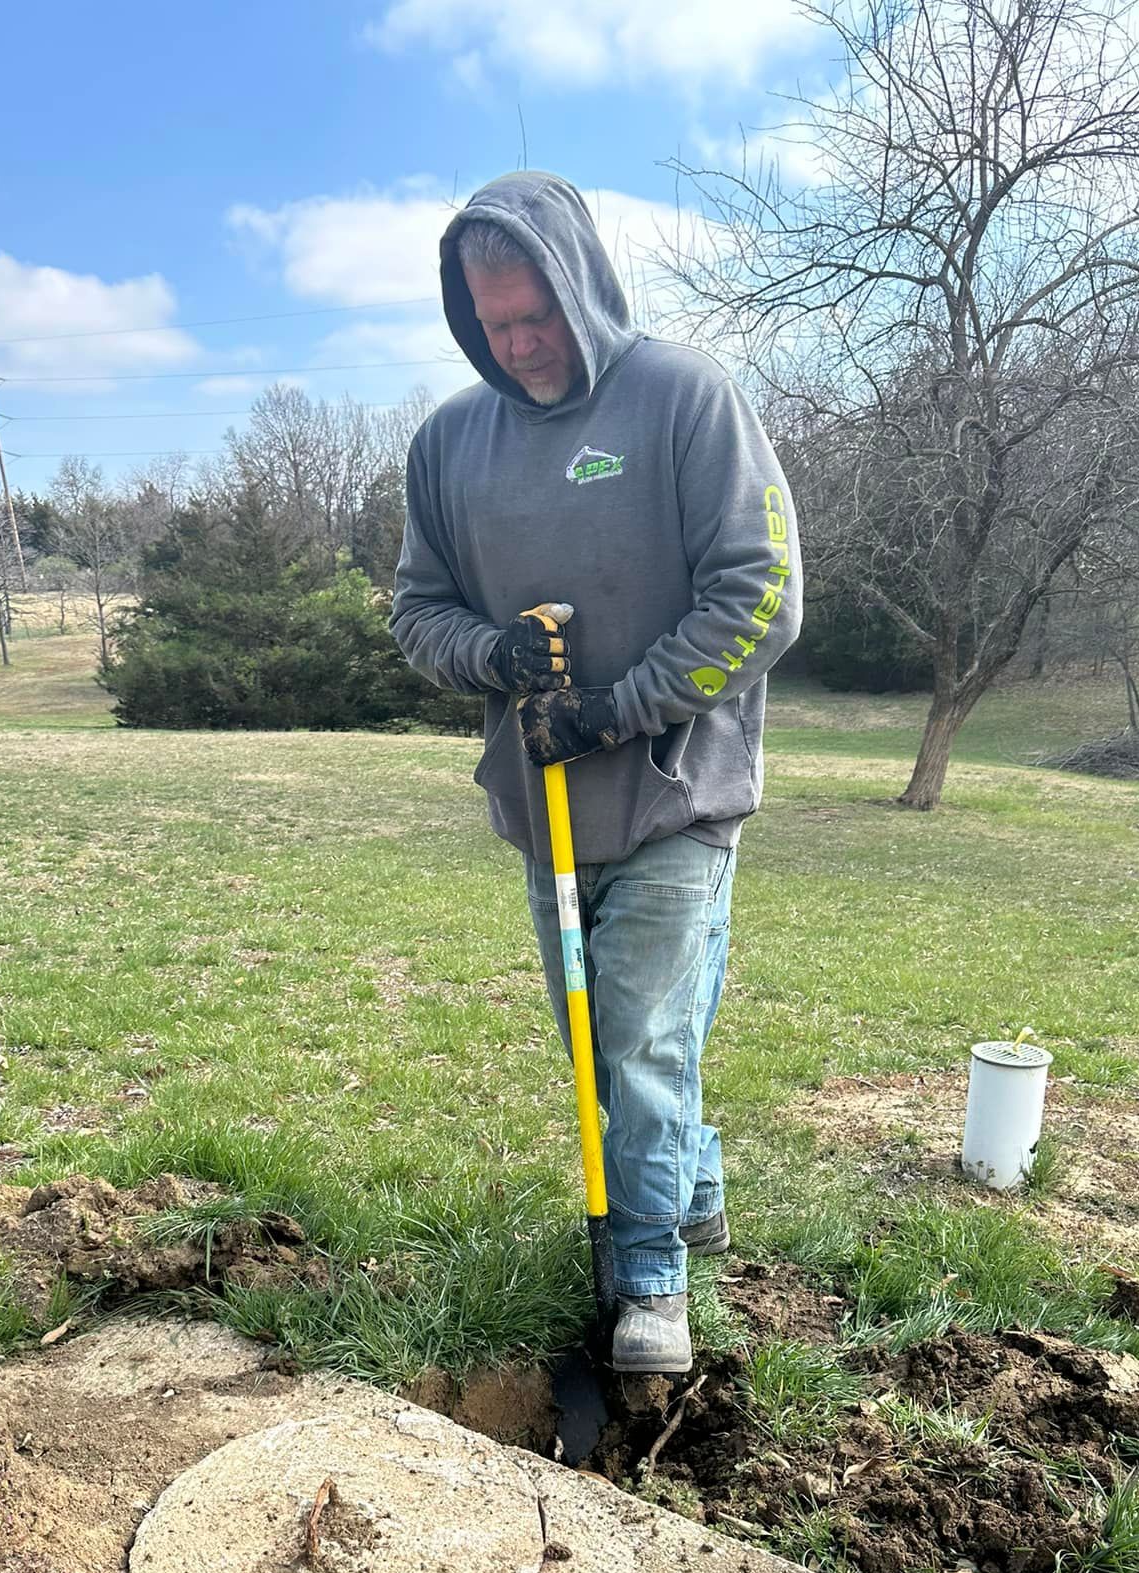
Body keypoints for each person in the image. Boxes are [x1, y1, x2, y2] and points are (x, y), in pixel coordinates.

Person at [389, 170, 802, 1376]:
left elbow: (760, 594)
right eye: (493, 323)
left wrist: (619, 711)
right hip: (545, 810)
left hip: (674, 793)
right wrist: (493, 655)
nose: (519, 346)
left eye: (537, 315)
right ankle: (694, 1185)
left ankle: (653, 1279)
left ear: (581, 283)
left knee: (642, 1044)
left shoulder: (685, 398)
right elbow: (418, 610)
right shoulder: (449, 444)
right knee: (600, 1042)